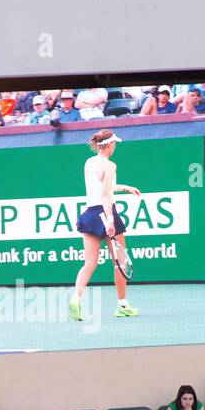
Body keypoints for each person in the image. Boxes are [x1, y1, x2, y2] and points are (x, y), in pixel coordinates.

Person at [68, 130, 142, 322]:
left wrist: (125, 187)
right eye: (114, 144)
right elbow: (106, 195)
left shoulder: (89, 162)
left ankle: (76, 297)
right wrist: (109, 220)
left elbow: (103, 187)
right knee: (120, 262)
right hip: (105, 213)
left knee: (89, 263)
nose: (115, 146)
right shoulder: (110, 166)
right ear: (108, 145)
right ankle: (122, 305)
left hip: (89, 214)